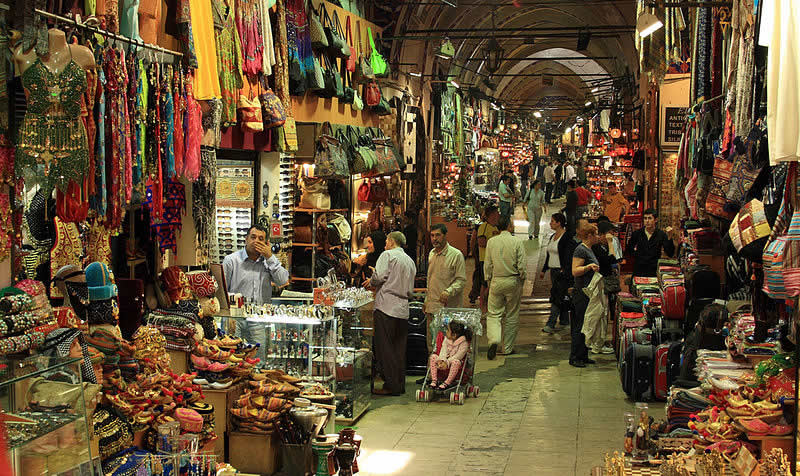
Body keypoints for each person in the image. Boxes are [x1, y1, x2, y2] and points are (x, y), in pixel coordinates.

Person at [223, 224, 290, 360]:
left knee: (258, 359)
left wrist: (270, 257)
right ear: (246, 239)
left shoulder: (268, 262)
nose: (256, 241)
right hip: (234, 318)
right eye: (253, 237)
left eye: (261, 239)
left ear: (266, 243)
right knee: (231, 357)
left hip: (258, 319)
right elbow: (222, 291)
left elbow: (282, 280)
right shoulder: (231, 261)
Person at [363, 231, 416, 395]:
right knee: (399, 349)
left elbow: (379, 277)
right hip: (403, 308)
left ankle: (391, 385)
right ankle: (399, 384)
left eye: (386, 241)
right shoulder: (409, 260)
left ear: (392, 241)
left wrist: (371, 278)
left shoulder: (387, 255)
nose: (385, 244)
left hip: (387, 306)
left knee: (385, 348)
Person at [484, 215, 527, 359]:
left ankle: (494, 340)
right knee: (512, 314)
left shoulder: (491, 242)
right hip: (512, 280)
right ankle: (507, 348)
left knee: (494, 314)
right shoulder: (517, 242)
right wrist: (522, 277)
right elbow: (522, 264)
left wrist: (488, 280)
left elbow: (488, 264)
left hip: (497, 280)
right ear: (509, 226)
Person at [424, 223, 466, 335]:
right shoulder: (431, 254)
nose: (434, 239)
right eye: (432, 235)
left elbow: (461, 280)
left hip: (449, 308)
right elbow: (431, 279)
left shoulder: (456, 255)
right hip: (433, 306)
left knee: (449, 341)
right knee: (434, 341)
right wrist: (426, 300)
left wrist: (449, 291)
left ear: (445, 235)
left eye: (438, 235)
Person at [569, 223, 601, 368]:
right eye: (596, 234)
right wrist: (588, 267)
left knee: (585, 323)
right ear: (589, 236)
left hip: (588, 292)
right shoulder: (580, 250)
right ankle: (575, 356)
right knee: (579, 324)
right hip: (581, 292)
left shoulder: (589, 249)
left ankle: (583, 355)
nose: (598, 237)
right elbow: (575, 271)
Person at [539, 213, 576, 334]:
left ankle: (551, 323)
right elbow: (549, 254)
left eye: (553, 221)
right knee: (562, 296)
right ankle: (565, 321)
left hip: (562, 272)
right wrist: (544, 270)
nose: (550, 223)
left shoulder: (566, 237)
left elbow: (569, 255)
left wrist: (564, 269)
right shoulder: (552, 236)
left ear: (559, 223)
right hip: (553, 271)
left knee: (556, 297)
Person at [626, 208, 676, 278]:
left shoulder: (661, 234)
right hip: (639, 269)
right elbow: (629, 249)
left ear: (656, 220)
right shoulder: (637, 233)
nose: (647, 221)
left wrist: (669, 237)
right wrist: (638, 256)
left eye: (649, 218)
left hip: (653, 270)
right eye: (645, 218)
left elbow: (670, 253)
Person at [428, 320, 472, 390]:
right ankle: (434, 380)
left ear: (454, 335)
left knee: (456, 362)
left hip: (455, 365)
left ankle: (447, 382)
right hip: (444, 362)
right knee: (433, 357)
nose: (446, 332)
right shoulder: (446, 339)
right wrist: (442, 360)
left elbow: (459, 355)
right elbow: (443, 350)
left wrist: (447, 362)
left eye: (448, 330)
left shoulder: (464, 343)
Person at [476, 205, 501, 314]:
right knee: (484, 284)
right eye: (496, 214)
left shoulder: (496, 228)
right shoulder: (484, 227)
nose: (498, 216)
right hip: (485, 261)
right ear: (491, 215)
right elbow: (481, 243)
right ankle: (483, 306)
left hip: (495, 261)